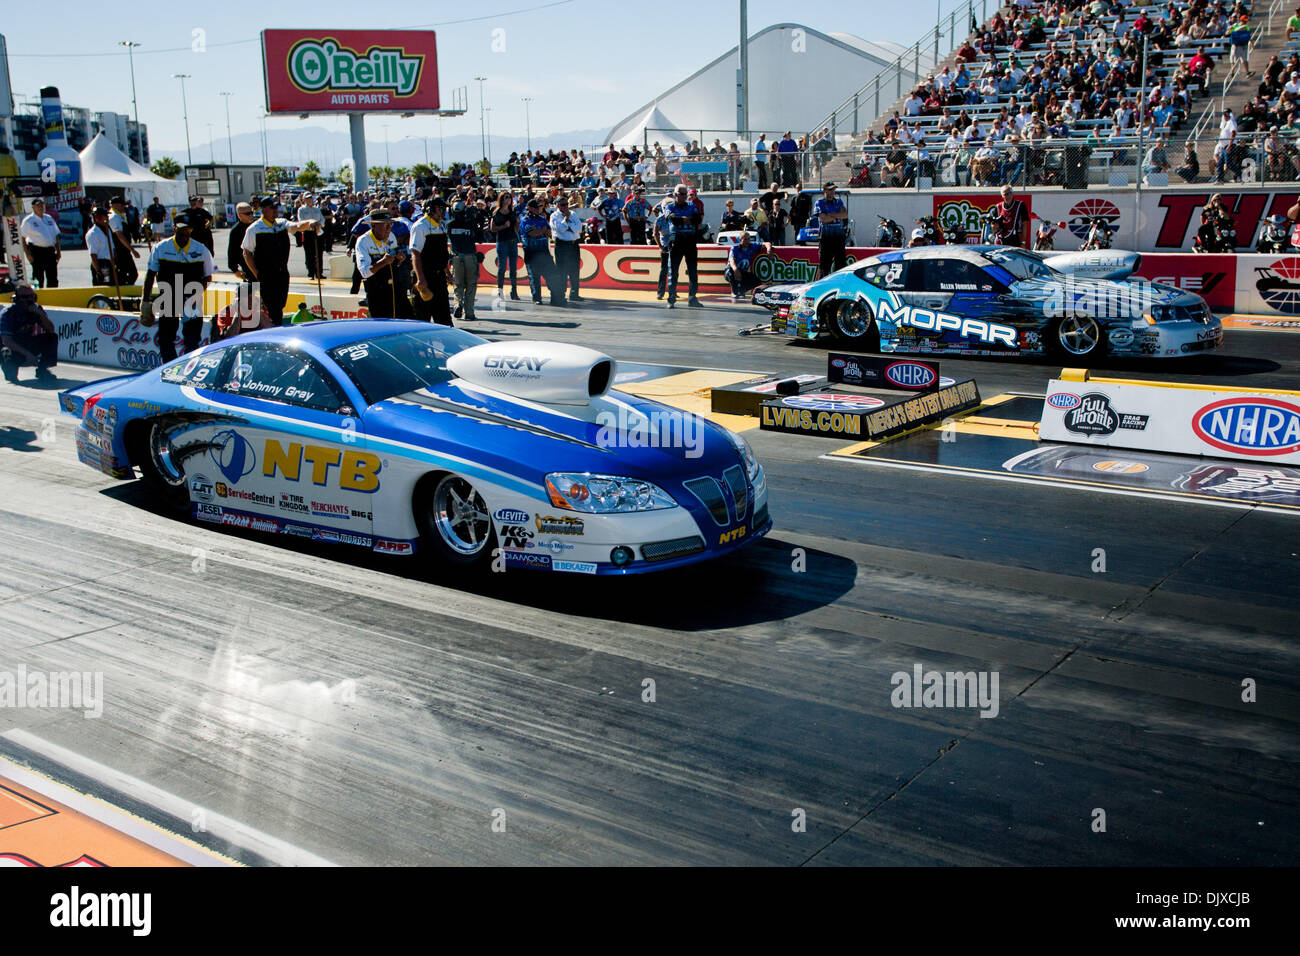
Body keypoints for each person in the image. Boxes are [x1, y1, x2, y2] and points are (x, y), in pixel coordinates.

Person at [139, 212, 215, 362]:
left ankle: (189, 369)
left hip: (191, 298)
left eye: (188, 230)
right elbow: (150, 275)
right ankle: (169, 367)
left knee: (192, 339)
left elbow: (208, 277)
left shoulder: (201, 250)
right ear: (174, 228)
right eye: (181, 229)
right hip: (168, 297)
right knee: (166, 338)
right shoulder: (161, 248)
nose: (185, 233)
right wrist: (145, 301)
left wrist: (195, 295)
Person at [241, 197, 317, 326]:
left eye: (277, 207)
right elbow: (246, 252)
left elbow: (297, 226)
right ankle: (273, 330)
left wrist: (310, 223)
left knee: (280, 305)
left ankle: (276, 326)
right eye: (273, 208)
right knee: (272, 308)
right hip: (266, 274)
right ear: (264, 209)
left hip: (282, 273)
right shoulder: (254, 229)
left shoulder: (281, 223)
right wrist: (257, 274)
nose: (276, 210)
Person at [355, 211, 411, 319]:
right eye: (385, 224)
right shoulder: (363, 241)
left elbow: (394, 263)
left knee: (407, 317)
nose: (389, 227)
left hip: (395, 287)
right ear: (373, 225)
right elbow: (364, 272)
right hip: (376, 291)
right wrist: (383, 262)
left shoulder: (391, 237)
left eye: (390, 224)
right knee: (382, 324)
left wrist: (399, 259)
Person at [0, 283, 58, 383]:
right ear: (17, 299)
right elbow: (7, 341)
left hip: (26, 341)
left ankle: (42, 370)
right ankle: (10, 369)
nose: (29, 300)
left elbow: (51, 329)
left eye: (31, 296)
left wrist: (40, 314)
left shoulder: (36, 309)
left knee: (51, 337)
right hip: (10, 346)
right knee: (6, 353)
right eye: (25, 297)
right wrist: (28, 354)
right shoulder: (8, 313)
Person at [411, 197, 452, 325]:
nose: (443, 212)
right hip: (425, 277)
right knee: (422, 318)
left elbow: (442, 253)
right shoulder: (420, 226)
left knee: (444, 318)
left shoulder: (441, 226)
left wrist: (447, 272)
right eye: (441, 209)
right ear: (430, 210)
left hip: (439, 278)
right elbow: (415, 254)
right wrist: (420, 279)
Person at [664, 184, 703, 308]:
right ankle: (671, 299)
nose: (685, 196)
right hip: (676, 241)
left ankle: (692, 298)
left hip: (690, 241)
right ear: (675, 195)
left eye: (686, 194)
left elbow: (697, 219)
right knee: (673, 271)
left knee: (693, 270)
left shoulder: (692, 205)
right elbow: (672, 219)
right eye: (682, 194)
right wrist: (685, 219)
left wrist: (681, 219)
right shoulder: (669, 206)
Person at [519, 198, 563, 306]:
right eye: (535, 207)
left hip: (544, 252)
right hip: (531, 253)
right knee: (534, 277)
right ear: (529, 208)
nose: (538, 209)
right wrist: (542, 230)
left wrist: (541, 231)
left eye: (539, 207)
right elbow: (533, 234)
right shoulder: (525, 220)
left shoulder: (542, 219)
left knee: (551, 274)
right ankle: (536, 298)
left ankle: (555, 297)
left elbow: (549, 233)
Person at [447, 198, 482, 320]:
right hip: (470, 256)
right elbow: (480, 238)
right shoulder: (470, 224)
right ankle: (469, 312)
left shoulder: (449, 225)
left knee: (458, 285)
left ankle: (458, 304)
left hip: (456, 257)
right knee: (471, 285)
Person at [20, 198, 61, 288]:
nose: (41, 207)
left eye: (42, 205)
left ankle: (53, 297)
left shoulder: (49, 218)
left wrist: (58, 251)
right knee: (38, 277)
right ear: (33, 207)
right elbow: (22, 238)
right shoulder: (28, 220)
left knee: (52, 277)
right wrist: (27, 254)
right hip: (37, 251)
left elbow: (56, 235)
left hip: (50, 250)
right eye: (38, 205)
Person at [550, 195, 583, 302]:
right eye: (563, 205)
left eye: (567, 204)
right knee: (562, 271)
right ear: (557, 205)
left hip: (573, 245)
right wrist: (566, 221)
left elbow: (579, 228)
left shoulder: (573, 214)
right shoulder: (554, 216)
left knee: (574, 270)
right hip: (562, 245)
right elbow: (559, 230)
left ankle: (574, 293)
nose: (565, 207)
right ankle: (561, 293)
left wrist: (569, 227)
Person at [813, 183, 849, 279]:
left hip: (839, 237)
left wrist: (831, 215)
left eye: (833, 190)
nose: (832, 192)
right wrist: (837, 215)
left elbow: (845, 215)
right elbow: (823, 219)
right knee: (824, 266)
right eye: (830, 190)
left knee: (840, 264)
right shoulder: (819, 202)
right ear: (825, 190)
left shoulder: (839, 201)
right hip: (826, 238)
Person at [489, 192, 520, 299]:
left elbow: (516, 228)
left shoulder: (512, 212)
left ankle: (514, 291)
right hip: (502, 242)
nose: (509, 199)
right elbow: (492, 228)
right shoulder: (496, 213)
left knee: (513, 269)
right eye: (506, 197)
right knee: (502, 267)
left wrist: (517, 223)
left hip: (512, 241)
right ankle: (500, 290)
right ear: (501, 199)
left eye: (510, 197)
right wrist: (503, 226)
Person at [107, 195, 139, 285]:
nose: (123, 207)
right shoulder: (113, 217)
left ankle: (125, 290)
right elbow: (119, 235)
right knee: (130, 274)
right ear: (115, 205)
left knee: (129, 274)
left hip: (123, 249)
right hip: (120, 250)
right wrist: (132, 250)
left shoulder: (119, 216)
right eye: (122, 205)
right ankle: (124, 292)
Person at [296, 193, 325, 279]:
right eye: (307, 198)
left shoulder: (317, 209)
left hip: (318, 231)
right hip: (308, 232)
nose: (309, 200)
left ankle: (319, 272)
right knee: (309, 254)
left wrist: (319, 225)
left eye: (311, 198)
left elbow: (322, 219)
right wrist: (310, 224)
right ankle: (311, 273)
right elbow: (301, 221)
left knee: (319, 253)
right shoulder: (301, 210)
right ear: (304, 200)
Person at [725, 232, 760, 299]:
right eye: (745, 239)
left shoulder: (753, 246)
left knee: (756, 281)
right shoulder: (735, 248)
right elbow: (731, 260)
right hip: (732, 271)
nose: (747, 241)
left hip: (743, 272)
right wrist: (735, 270)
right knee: (731, 271)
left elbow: (766, 243)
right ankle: (734, 291)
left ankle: (742, 290)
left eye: (749, 239)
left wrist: (769, 250)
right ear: (740, 240)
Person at [85, 207, 115, 286]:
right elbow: (93, 255)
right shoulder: (93, 233)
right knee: (102, 287)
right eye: (105, 216)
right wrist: (98, 271)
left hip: (109, 263)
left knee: (111, 286)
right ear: (98, 217)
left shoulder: (108, 229)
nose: (108, 218)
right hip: (101, 264)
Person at [652, 201, 673, 300]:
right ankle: (660, 292)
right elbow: (655, 234)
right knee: (664, 270)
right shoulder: (659, 219)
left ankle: (673, 291)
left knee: (674, 270)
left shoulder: (674, 218)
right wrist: (660, 246)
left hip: (674, 245)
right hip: (665, 246)